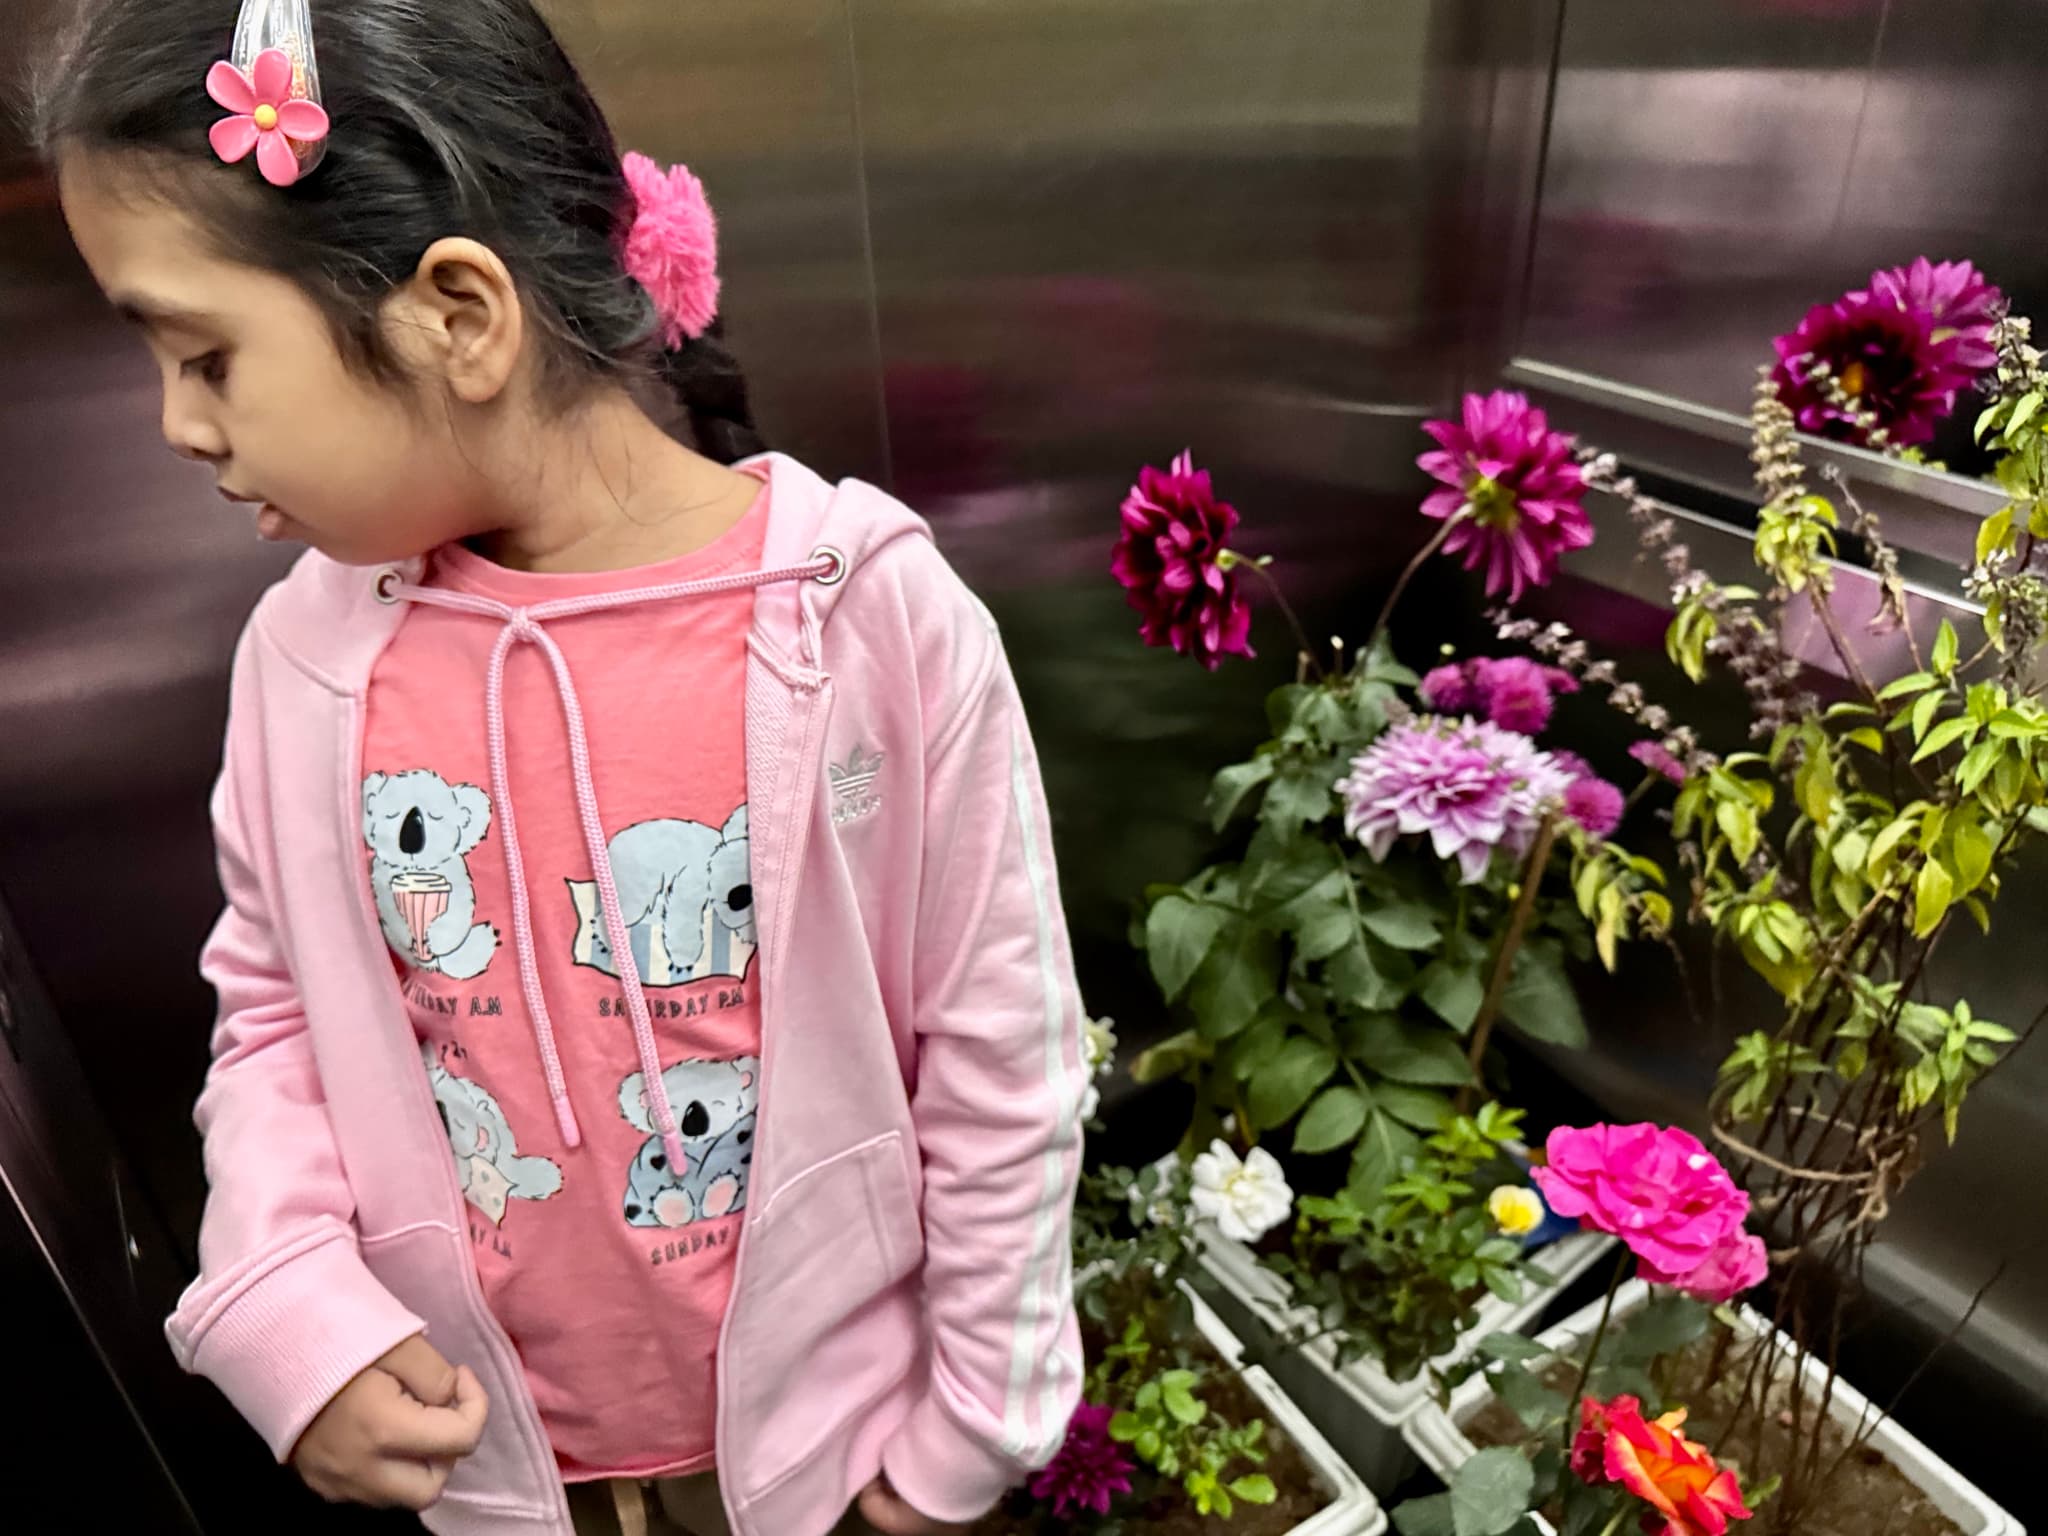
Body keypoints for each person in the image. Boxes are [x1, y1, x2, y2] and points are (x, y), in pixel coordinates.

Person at [34, 2, 1086, 1534]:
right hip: (507, 1486)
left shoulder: (870, 625)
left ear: (458, 313)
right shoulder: (309, 664)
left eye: (206, 356)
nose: (182, 427)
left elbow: (1002, 1059)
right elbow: (273, 1020)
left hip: (832, 1476)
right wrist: (286, 1311)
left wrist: (958, 1454)